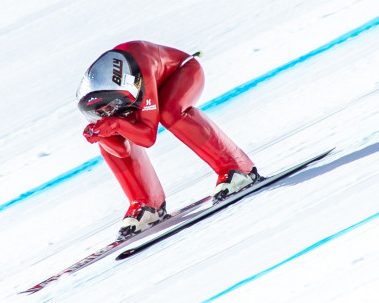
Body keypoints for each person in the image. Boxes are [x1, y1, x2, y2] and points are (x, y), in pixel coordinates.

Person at [76, 40, 261, 239]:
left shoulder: (140, 72)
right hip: (146, 88)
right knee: (107, 134)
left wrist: (115, 124)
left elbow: (147, 137)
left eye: (110, 106)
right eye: (101, 111)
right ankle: (147, 204)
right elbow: (121, 149)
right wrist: (103, 136)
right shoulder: (96, 98)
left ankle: (238, 169)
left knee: (169, 112)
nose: (107, 113)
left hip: (182, 72)